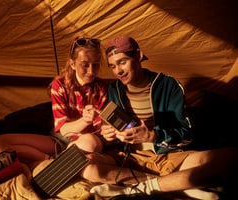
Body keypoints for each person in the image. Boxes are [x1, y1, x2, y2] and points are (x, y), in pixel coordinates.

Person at [79, 36, 238, 198]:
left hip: (169, 156)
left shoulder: (168, 85)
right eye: (113, 66)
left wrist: (152, 135)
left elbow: (186, 136)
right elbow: (117, 131)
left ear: (138, 56)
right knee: (86, 165)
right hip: (132, 159)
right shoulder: (114, 89)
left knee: (231, 156)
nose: (118, 71)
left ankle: (134, 188)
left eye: (122, 62)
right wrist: (110, 135)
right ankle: (173, 184)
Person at [0, 36, 108, 180]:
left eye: (95, 65)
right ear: (72, 64)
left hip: (84, 142)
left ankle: (44, 169)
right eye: (85, 65)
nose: (91, 71)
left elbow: (100, 131)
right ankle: (50, 162)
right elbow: (64, 130)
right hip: (59, 140)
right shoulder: (59, 85)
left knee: (91, 142)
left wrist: (108, 130)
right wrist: (85, 120)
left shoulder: (102, 89)